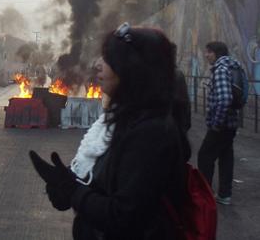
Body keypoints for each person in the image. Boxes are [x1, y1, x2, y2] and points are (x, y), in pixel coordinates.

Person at [29, 23, 190, 240]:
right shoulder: (122, 119)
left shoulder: (152, 133)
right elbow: (103, 181)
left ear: (132, 70)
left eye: (108, 59)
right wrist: (64, 181)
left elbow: (124, 216)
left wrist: (74, 191)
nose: (98, 65)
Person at [198, 41, 242, 206]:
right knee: (225, 157)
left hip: (221, 125)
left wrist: (216, 123)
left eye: (208, 52)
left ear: (216, 53)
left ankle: (205, 194)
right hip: (230, 125)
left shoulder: (221, 70)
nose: (206, 55)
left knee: (204, 156)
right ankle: (224, 194)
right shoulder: (233, 67)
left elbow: (224, 99)